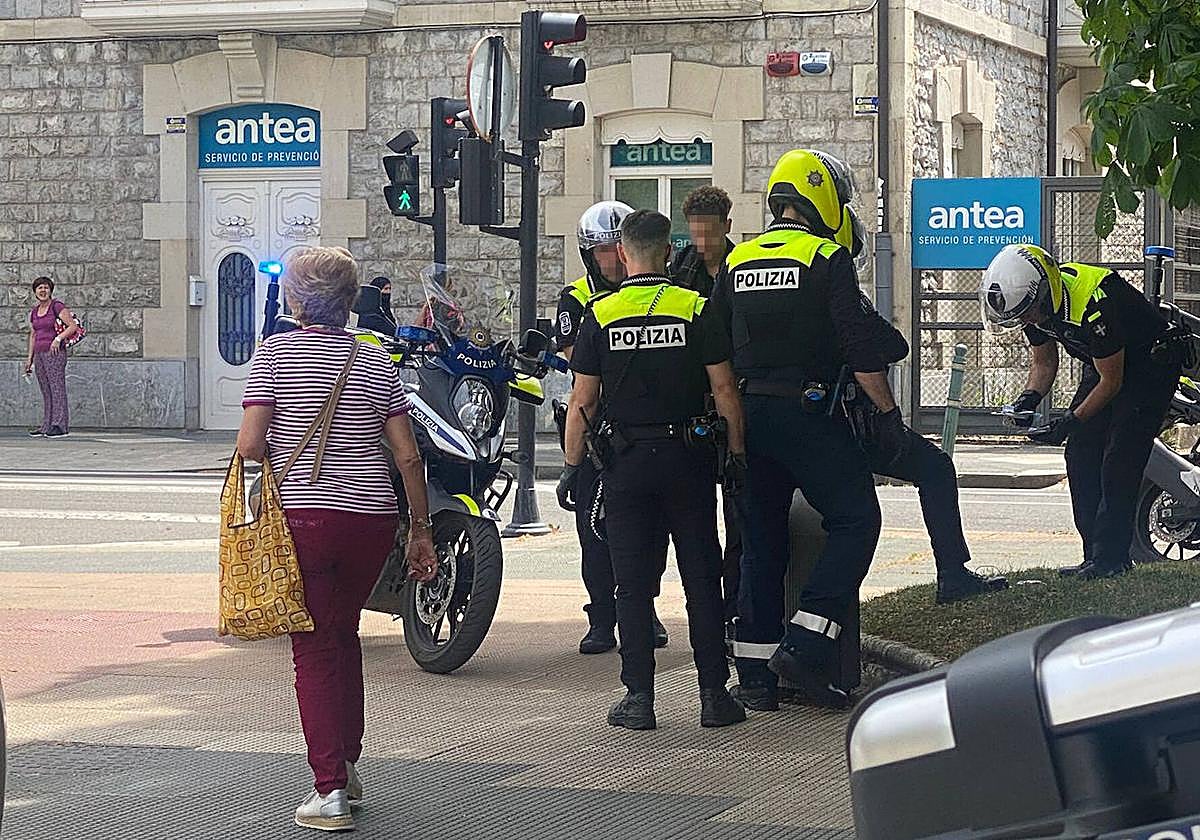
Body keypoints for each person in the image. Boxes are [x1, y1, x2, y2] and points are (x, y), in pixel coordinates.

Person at [237, 246, 438, 833]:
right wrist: (420, 531)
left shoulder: (271, 354)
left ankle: (328, 791)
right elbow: (407, 454)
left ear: (295, 299)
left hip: (303, 519)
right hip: (370, 518)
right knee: (342, 633)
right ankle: (346, 767)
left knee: (314, 647)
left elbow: (251, 446)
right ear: (351, 301)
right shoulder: (377, 359)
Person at [712, 149, 903, 712]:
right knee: (857, 519)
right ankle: (807, 641)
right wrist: (887, 418)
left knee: (761, 544)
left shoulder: (736, 260)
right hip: (810, 415)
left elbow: (716, 349)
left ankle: (753, 675)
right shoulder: (827, 257)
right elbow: (862, 348)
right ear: (821, 199)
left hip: (748, 418)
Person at [560, 209, 748, 730]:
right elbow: (725, 390)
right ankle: (714, 695)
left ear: (622, 253)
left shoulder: (599, 314)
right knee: (701, 578)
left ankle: (639, 698)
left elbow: (583, 401)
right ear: (668, 251)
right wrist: (736, 456)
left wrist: (573, 467)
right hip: (687, 462)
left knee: (632, 583)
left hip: (625, 467)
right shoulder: (695, 307)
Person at [981, 243, 1178, 579]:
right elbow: (1044, 362)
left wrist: (1069, 421)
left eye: (1028, 314)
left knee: (1120, 458)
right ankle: (1093, 556)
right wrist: (1029, 398)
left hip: (1148, 366)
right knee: (1080, 453)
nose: (1027, 321)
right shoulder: (1029, 303)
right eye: (1020, 317)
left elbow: (1112, 383)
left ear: (1046, 291)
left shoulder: (1095, 302)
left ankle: (1113, 560)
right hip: (1103, 364)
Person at [555, 200, 669, 655]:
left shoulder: (657, 291)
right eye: (603, 251)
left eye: (616, 247)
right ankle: (601, 615)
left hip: (643, 425)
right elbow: (572, 361)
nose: (613, 258)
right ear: (590, 255)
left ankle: (644, 608)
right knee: (593, 529)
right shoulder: (577, 299)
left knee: (651, 527)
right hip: (592, 426)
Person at [669, 185, 742, 632]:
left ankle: (733, 606)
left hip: (732, 392)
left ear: (726, 228)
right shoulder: (680, 268)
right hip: (693, 400)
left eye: (710, 234)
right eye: (695, 234)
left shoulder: (741, 268)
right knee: (694, 518)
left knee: (738, 514)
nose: (702, 244)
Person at [25, 276, 78, 438]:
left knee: (56, 388)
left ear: (50, 290)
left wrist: (58, 339)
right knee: (46, 390)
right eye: (39, 288)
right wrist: (29, 359)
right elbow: (33, 335)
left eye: (46, 288)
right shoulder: (34, 312)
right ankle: (47, 425)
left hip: (54, 353)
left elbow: (72, 326)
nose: (43, 291)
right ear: (35, 292)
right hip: (40, 354)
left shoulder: (57, 306)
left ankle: (59, 425)